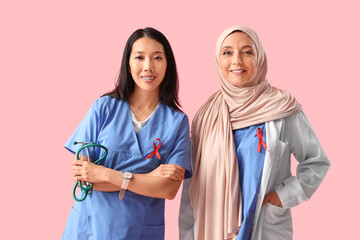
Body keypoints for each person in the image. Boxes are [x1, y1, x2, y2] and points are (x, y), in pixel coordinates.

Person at [179, 26, 330, 240]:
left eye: (247, 52)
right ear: (217, 60)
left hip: (264, 228)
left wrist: (284, 196)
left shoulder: (281, 106)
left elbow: (317, 161)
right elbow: (192, 189)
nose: (237, 61)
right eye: (227, 52)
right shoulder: (206, 116)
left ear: (259, 57)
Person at [62, 27, 191, 240]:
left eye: (157, 57)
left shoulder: (178, 123)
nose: (148, 67)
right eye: (139, 57)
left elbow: (168, 189)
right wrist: (148, 178)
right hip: (89, 228)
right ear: (128, 64)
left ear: (168, 64)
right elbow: (83, 179)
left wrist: (105, 174)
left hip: (139, 231)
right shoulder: (103, 108)